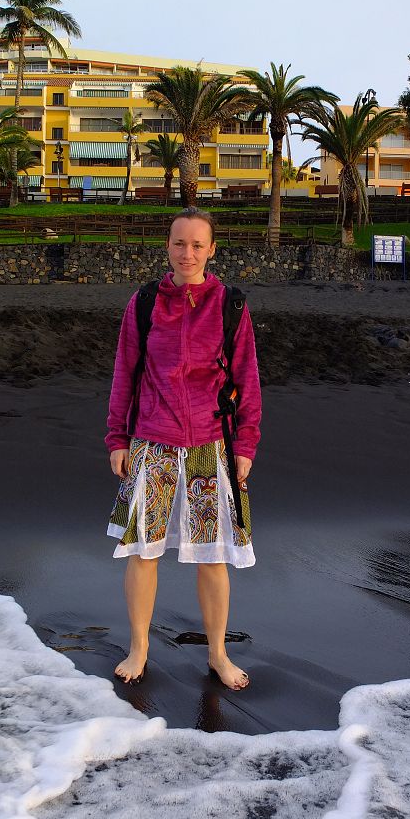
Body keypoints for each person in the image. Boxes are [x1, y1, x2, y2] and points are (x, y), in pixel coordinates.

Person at [106, 207, 261, 691]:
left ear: (212, 250)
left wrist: (246, 442)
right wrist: (117, 437)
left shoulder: (230, 305)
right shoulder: (145, 302)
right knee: (143, 553)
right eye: (179, 243)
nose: (187, 253)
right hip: (151, 442)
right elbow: (124, 372)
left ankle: (217, 653)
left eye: (197, 244)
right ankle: (139, 647)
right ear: (167, 246)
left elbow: (247, 379)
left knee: (213, 558)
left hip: (210, 445)